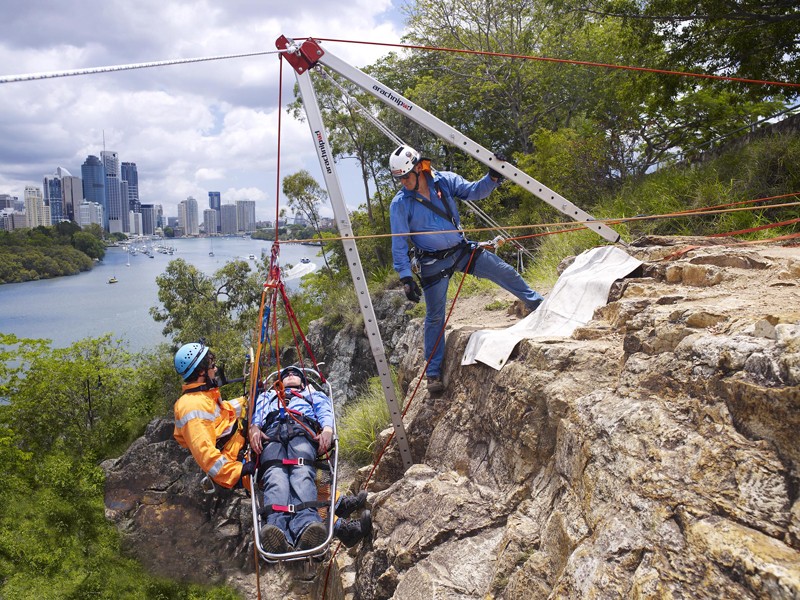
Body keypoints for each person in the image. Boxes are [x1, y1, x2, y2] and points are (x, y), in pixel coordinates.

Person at [388, 145, 544, 393]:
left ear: (419, 168)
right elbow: (398, 244)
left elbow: (474, 191)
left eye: (406, 176)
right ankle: (434, 374)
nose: (403, 182)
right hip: (432, 262)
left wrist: (493, 175)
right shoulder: (400, 204)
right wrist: (406, 278)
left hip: (461, 251)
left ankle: (540, 306)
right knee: (436, 316)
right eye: (399, 178)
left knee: (503, 271)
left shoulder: (444, 181)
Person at [249, 365, 372, 553]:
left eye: (295, 374)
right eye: (286, 375)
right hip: (271, 435)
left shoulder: (311, 394)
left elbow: (324, 411)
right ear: (278, 383)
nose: (290, 375)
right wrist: (254, 428)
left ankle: (307, 525)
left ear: (303, 381)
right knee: (276, 477)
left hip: (302, 431)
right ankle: (276, 530)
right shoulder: (267, 396)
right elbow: (257, 414)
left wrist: (327, 430)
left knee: (301, 473)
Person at [173, 342, 254, 490]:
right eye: (212, 365)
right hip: (234, 461)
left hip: (238, 444)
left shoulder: (203, 395)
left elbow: (223, 413)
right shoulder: (192, 406)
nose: (215, 369)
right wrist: (240, 470)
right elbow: (205, 453)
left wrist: (246, 401)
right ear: (201, 372)